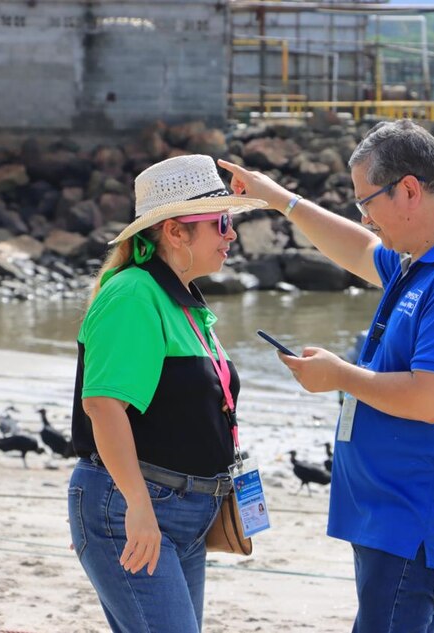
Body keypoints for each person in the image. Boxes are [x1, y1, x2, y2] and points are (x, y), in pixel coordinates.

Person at [220, 119, 434, 632]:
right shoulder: (422, 261)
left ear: (410, 190)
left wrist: (340, 376)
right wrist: (278, 199)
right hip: (387, 513)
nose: (367, 218)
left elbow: (432, 399)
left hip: (413, 517)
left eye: (366, 202)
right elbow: (355, 250)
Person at [67, 154, 267, 632]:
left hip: (181, 511)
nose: (231, 234)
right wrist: (137, 504)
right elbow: (102, 405)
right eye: (220, 223)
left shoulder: (181, 299)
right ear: (176, 232)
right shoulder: (135, 293)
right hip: (133, 504)